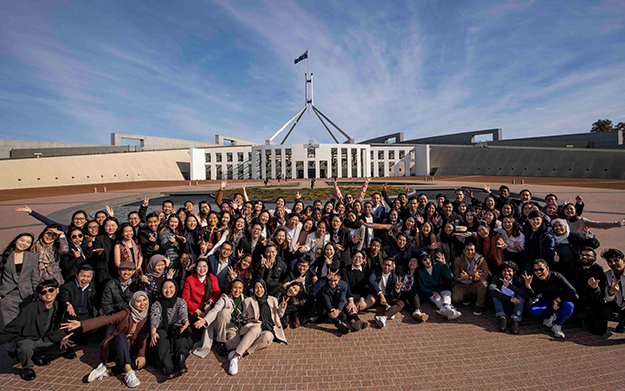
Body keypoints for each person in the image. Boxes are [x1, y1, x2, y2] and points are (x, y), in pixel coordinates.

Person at [62, 291, 151, 388]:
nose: (142, 304)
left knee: (141, 363)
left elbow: (143, 336)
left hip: (129, 348)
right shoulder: (125, 313)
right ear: (133, 302)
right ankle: (129, 371)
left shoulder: (146, 316)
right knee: (120, 336)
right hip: (116, 346)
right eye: (138, 301)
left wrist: (141, 354)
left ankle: (107, 371)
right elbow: (106, 319)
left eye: (144, 300)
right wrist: (81, 324)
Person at [0, 279, 74, 381]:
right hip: (30, 338)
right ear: (39, 295)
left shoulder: (59, 306)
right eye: (43, 292)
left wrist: (62, 337)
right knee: (25, 346)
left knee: (64, 346)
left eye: (51, 290)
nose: (48, 294)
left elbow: (58, 326)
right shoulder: (30, 309)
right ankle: (27, 367)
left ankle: (38, 356)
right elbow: (13, 328)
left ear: (57, 290)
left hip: (46, 337)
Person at [227, 279, 287, 375]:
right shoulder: (248, 301)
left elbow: (278, 316)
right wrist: (241, 317)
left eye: (261, 287)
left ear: (264, 288)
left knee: (268, 337)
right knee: (256, 329)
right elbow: (244, 317)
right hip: (253, 327)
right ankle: (235, 358)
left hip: (268, 328)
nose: (259, 290)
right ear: (253, 289)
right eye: (256, 287)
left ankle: (243, 352)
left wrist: (282, 308)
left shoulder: (273, 300)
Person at [524, 259, 578, 339]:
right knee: (533, 311)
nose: (538, 272)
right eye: (535, 270)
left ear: (547, 269)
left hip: (561, 301)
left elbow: (574, 295)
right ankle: (550, 316)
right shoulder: (536, 279)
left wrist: (559, 300)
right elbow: (534, 296)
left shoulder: (557, 277)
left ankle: (557, 324)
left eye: (541, 269)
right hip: (547, 301)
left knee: (569, 306)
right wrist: (528, 286)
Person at [149, 279, 191, 378]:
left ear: (175, 288)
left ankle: (181, 361)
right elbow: (155, 317)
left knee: (178, 331)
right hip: (162, 328)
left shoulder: (180, 301)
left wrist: (185, 321)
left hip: (175, 327)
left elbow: (183, 313)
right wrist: (153, 332)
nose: (168, 290)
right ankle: (167, 367)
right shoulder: (157, 304)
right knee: (161, 335)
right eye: (165, 288)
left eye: (171, 287)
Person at [193, 279, 246, 358]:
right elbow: (215, 310)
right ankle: (220, 342)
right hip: (220, 324)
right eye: (235, 288)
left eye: (240, 288)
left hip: (232, 326)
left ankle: (216, 341)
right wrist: (205, 320)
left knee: (236, 344)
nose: (237, 290)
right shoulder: (224, 298)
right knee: (225, 312)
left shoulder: (245, 300)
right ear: (231, 289)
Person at [0, 233, 38, 330]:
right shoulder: (4, 257)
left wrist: (35, 293)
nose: (24, 243)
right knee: (8, 324)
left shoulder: (32, 257)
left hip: (27, 294)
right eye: (22, 240)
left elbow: (35, 277)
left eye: (28, 242)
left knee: (25, 322)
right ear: (16, 240)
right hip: (8, 295)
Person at [570, 248, 608, 335]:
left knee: (599, 331)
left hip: (593, 304)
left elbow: (600, 296)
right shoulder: (575, 267)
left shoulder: (598, 271)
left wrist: (594, 288)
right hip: (578, 301)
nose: (584, 257)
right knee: (577, 317)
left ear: (594, 258)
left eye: (588, 255)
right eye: (582, 255)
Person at [58, 264, 97, 348]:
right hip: (72, 316)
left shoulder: (92, 287)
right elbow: (64, 298)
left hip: (86, 316)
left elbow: (95, 301)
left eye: (88, 277)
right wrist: (68, 304)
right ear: (77, 275)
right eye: (82, 276)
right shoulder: (67, 287)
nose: (85, 279)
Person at [416, 251, 461, 320]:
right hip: (431, 292)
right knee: (437, 298)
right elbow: (421, 287)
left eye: (428, 258)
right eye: (424, 259)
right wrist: (431, 292)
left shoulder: (437, 266)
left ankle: (446, 308)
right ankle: (450, 312)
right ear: (422, 262)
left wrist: (444, 264)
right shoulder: (421, 272)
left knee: (447, 293)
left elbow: (450, 276)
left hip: (440, 289)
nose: (428, 260)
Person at [452, 242, 489, 315]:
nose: (470, 252)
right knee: (455, 299)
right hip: (462, 284)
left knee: (483, 284)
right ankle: (467, 297)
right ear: (464, 251)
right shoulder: (458, 260)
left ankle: (479, 305)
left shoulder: (480, 259)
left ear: (475, 251)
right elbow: (456, 276)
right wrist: (466, 274)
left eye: (472, 250)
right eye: (467, 250)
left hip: (474, 283)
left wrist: (470, 277)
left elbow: (485, 274)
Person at [488, 261, 526, 334]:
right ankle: (502, 317)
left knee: (520, 296)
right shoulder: (497, 277)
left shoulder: (518, 280)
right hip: (502, 303)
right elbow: (491, 289)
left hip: (514, 305)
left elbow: (524, 293)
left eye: (509, 271)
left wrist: (510, 286)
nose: (507, 273)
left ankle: (515, 320)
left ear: (514, 272)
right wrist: (509, 298)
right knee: (495, 294)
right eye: (504, 271)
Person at [182, 259, 221, 329]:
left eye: (204, 266)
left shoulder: (213, 278)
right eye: (199, 267)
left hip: (209, 307)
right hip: (194, 309)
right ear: (196, 268)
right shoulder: (189, 279)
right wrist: (198, 311)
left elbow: (217, 294)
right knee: (196, 324)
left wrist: (210, 303)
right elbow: (185, 299)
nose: (202, 269)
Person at [366, 258, 404, 328]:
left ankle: (384, 317)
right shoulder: (376, 271)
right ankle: (390, 311)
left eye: (389, 265)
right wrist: (380, 294)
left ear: (392, 267)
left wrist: (397, 289)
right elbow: (371, 281)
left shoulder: (394, 277)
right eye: (384, 264)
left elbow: (396, 296)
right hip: (376, 296)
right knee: (367, 302)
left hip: (387, 298)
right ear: (382, 264)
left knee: (401, 303)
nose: (386, 267)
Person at [310, 269, 352, 334]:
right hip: (323, 305)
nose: (332, 283)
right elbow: (313, 289)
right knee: (324, 296)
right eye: (330, 280)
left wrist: (337, 310)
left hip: (333, 306)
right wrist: (325, 279)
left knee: (343, 317)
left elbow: (342, 300)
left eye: (335, 280)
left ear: (339, 278)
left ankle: (327, 318)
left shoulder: (343, 285)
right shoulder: (323, 280)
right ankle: (337, 322)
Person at [397, 256, 429, 322]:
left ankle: (417, 311)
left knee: (414, 295)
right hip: (401, 291)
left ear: (417, 265)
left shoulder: (417, 274)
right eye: (411, 261)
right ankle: (415, 312)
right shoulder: (402, 271)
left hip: (410, 291)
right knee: (404, 300)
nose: (412, 263)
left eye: (414, 262)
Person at [601, 249, 625, 333]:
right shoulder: (607, 275)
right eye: (610, 261)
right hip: (619, 304)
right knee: (604, 311)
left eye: (616, 260)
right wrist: (611, 292)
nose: (613, 263)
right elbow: (607, 299)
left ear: (623, 260)